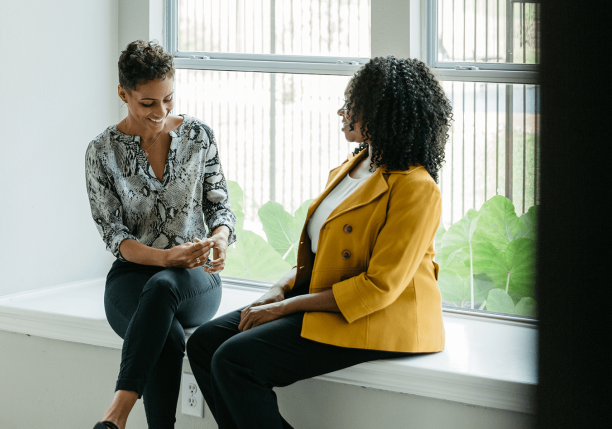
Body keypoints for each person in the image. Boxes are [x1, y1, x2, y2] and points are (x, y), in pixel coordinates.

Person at [186, 55, 453, 429]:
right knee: (204, 344)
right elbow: (318, 255)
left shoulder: (416, 188)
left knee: (233, 359)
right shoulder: (353, 166)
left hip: (379, 317)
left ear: (383, 113)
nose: (342, 111)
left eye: (353, 105)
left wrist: (284, 309)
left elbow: (379, 288)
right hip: (329, 298)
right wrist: (277, 291)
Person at [85, 40, 236, 429]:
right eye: (147, 103)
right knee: (166, 335)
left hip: (195, 279)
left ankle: (116, 414)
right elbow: (114, 236)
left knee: (165, 286)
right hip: (131, 279)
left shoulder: (199, 136)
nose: (161, 112)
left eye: (168, 99)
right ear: (123, 94)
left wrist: (218, 239)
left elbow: (220, 207)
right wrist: (166, 257)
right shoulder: (102, 152)